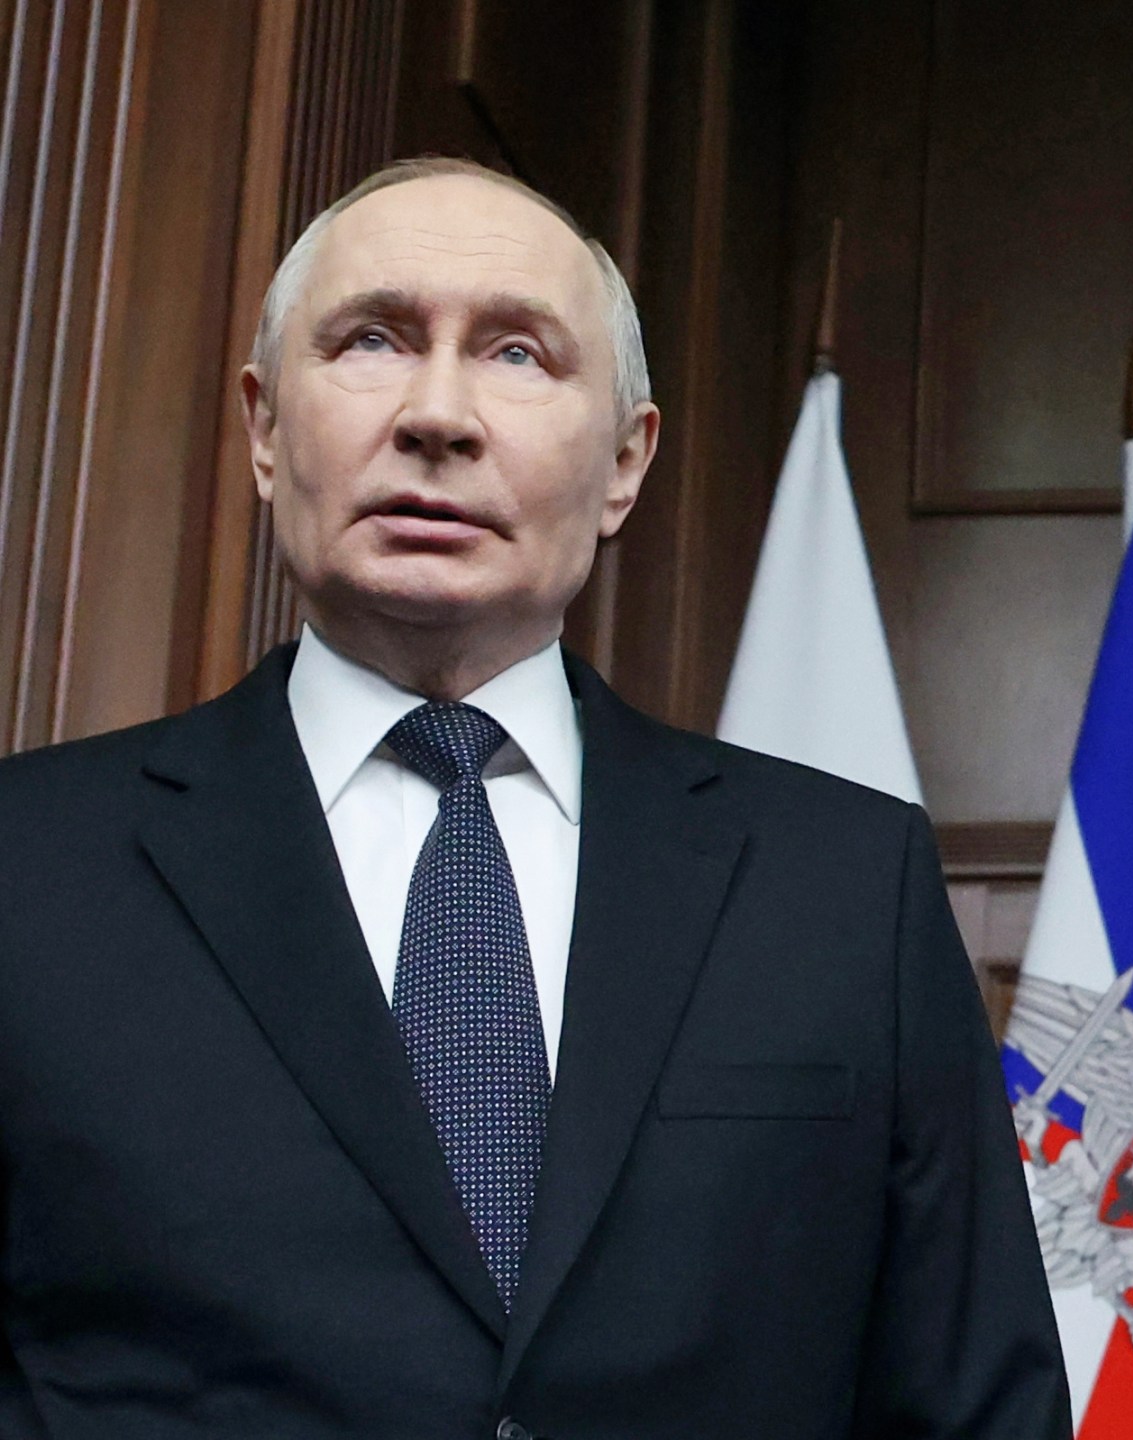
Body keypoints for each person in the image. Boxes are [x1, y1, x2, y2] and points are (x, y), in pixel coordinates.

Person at [0, 157, 1070, 1438]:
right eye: (374, 340)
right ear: (265, 431)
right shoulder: (29, 865)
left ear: (625, 462)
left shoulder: (844, 883)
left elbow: (975, 1405)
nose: (438, 414)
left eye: (516, 354)